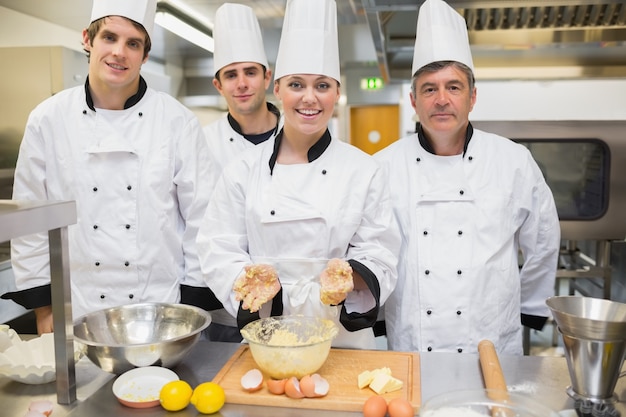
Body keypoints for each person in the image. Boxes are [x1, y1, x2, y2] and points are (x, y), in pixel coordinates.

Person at [196, 0, 400, 350]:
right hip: (267, 332)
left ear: (337, 93)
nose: (310, 98)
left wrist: (351, 279)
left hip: (343, 336)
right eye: (296, 85)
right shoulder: (243, 170)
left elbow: (381, 250)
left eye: (322, 85)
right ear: (277, 89)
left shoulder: (364, 170)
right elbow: (217, 247)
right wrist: (251, 284)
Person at [2, 0, 211, 334]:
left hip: (161, 310)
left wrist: (191, 305)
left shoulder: (177, 121)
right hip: (78, 309)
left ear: (145, 54)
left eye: (133, 43)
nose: (119, 52)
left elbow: (202, 216)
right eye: (110, 37)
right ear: (87, 39)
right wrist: (44, 308)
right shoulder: (48, 119)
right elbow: (30, 222)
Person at [374, 0, 560, 355]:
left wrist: (532, 310)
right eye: (429, 89)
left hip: (491, 339)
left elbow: (544, 239)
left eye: (453, 87)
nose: (441, 99)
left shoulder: (513, 161)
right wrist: (380, 316)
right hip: (413, 342)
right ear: (413, 100)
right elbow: (375, 250)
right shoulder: (383, 166)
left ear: (472, 97)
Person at [181, 3, 280, 343]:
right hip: (224, 307)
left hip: (293, 303)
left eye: (250, 72)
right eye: (231, 75)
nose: (242, 83)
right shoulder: (201, 144)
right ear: (218, 84)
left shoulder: (301, 141)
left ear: (268, 77)